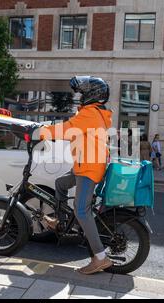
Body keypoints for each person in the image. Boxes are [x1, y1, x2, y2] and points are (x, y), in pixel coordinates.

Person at [38, 76, 113, 275]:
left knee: (82, 211)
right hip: (84, 165)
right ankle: (61, 222)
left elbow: (67, 129)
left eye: (82, 93)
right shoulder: (92, 113)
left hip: (89, 168)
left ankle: (100, 258)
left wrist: (42, 131)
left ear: (91, 95)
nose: (79, 97)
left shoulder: (90, 113)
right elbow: (74, 131)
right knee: (61, 184)